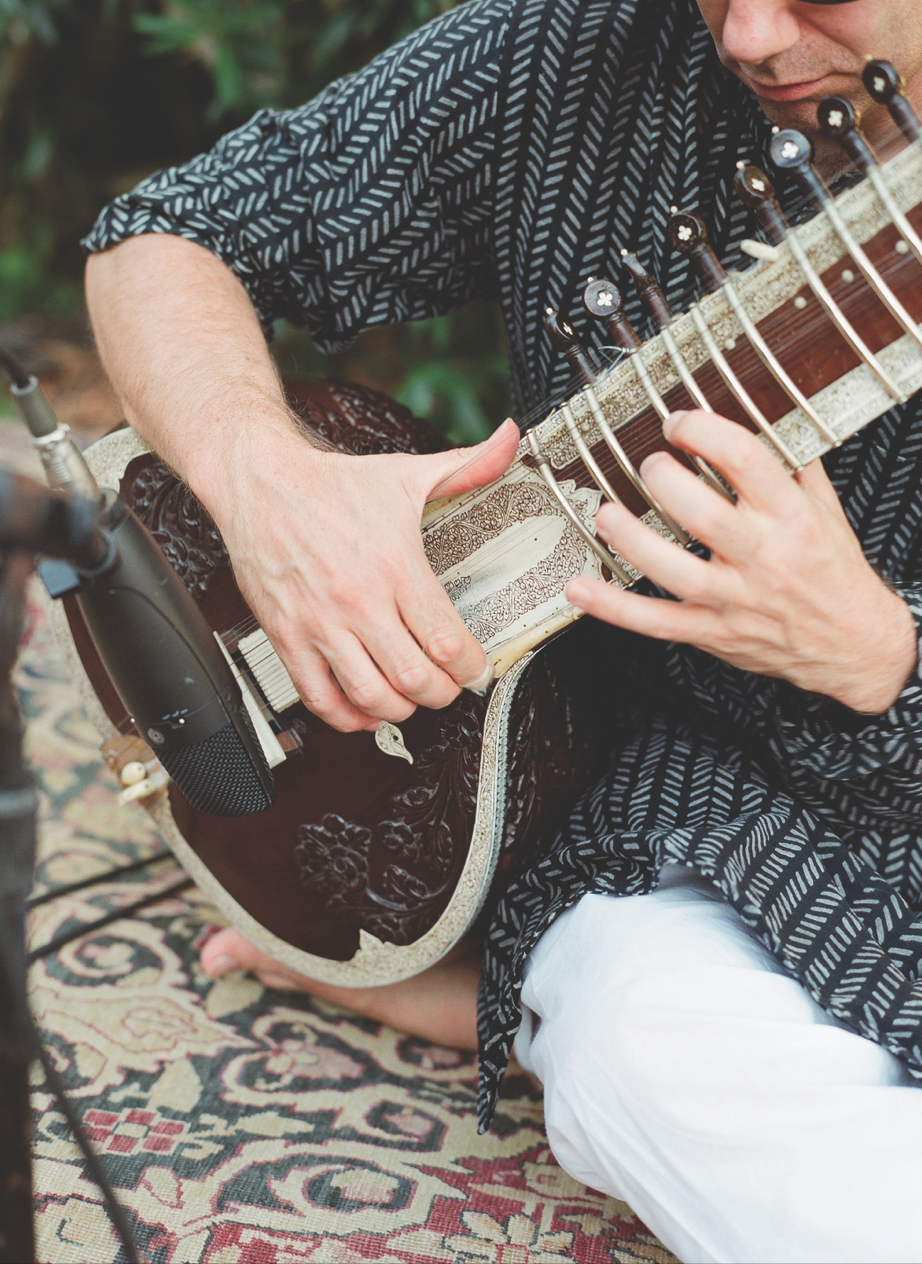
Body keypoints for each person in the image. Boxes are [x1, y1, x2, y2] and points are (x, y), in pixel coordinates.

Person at [83, 1, 922, 1259]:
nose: (749, 33)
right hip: (677, 800)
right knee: (639, 1043)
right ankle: (535, 989)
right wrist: (266, 488)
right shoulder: (589, 44)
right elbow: (161, 237)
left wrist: (880, 654)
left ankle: (505, 995)